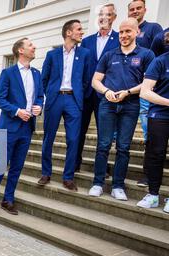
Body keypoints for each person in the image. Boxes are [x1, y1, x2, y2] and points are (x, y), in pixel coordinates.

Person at [88, 18, 155, 201]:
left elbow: (148, 83)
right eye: (122, 32)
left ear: (136, 33)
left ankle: (118, 185)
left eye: (128, 32)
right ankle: (98, 183)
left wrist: (128, 92)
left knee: (124, 147)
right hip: (108, 105)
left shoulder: (146, 55)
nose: (124, 35)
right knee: (103, 145)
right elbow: (96, 80)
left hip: (131, 105)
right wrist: (106, 91)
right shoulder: (110, 55)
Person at [0, 37, 43, 215]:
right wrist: (17, 111)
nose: (34, 47)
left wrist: (39, 107)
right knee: (1, 164)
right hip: (9, 126)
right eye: (30, 45)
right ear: (20, 50)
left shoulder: (37, 74)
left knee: (17, 166)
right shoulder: (8, 73)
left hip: (27, 128)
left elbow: (40, 96)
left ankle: (8, 200)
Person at [39, 19, 91, 191]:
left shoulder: (84, 54)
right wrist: (50, 94)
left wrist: (78, 96)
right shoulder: (52, 55)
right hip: (55, 99)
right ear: (69, 33)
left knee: (74, 139)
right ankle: (46, 173)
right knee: (48, 138)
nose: (81, 32)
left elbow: (87, 80)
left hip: (73, 100)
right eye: (78, 29)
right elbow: (44, 79)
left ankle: (68, 177)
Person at [76, 3, 119, 173]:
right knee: (80, 129)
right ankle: (75, 162)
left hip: (106, 93)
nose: (103, 18)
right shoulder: (86, 41)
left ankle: (102, 165)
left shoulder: (118, 40)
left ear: (114, 18)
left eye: (108, 14)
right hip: (86, 94)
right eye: (101, 14)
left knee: (105, 133)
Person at [128, 0, 163, 187]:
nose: (135, 11)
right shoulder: (125, 31)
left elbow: (158, 55)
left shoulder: (154, 28)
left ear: (145, 10)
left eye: (138, 8)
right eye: (132, 9)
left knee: (149, 133)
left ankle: (148, 175)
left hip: (146, 90)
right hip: (127, 91)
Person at [136, 37, 169, 212]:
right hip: (160, 114)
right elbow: (145, 92)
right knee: (156, 154)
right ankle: (153, 195)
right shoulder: (160, 61)